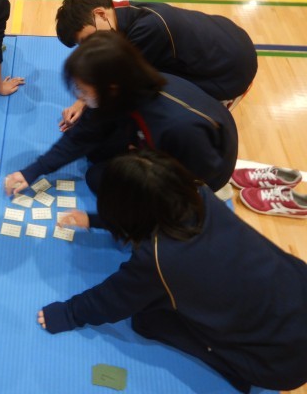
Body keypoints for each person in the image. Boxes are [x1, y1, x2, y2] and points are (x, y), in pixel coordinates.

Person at [37, 149, 307, 393]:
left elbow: (112, 300)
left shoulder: (157, 260)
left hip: (280, 362)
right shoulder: (200, 195)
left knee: (146, 321)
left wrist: (69, 313)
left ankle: (234, 366)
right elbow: (149, 209)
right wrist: (95, 220)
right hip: (298, 288)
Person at [5, 31, 238, 206]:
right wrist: (32, 171)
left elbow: (184, 186)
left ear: (112, 87)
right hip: (154, 139)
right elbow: (82, 137)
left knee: (99, 179)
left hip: (202, 170)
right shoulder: (121, 91)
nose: (79, 97)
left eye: (84, 90)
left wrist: (97, 220)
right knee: (94, 152)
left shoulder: (177, 126)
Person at [55, 0, 257, 130]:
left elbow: (117, 87)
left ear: (100, 14)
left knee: (149, 108)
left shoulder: (147, 31)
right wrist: (82, 101)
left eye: (88, 39)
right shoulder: (117, 13)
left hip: (232, 70)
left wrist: (87, 111)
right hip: (227, 37)